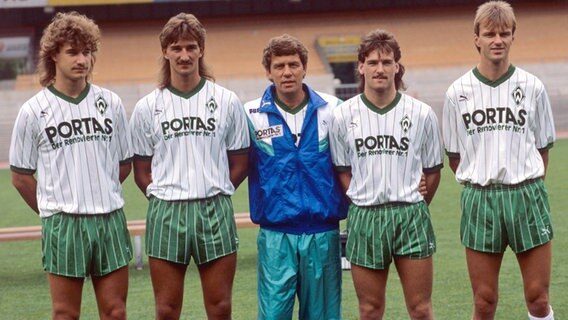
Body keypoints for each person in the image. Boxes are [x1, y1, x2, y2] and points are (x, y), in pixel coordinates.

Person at [9, 11, 133, 320]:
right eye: (73, 52)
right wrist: (53, 210)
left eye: (87, 52)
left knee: (116, 312)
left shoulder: (111, 103)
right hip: (64, 225)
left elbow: (124, 163)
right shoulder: (33, 110)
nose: (82, 59)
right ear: (54, 55)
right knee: (65, 314)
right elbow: (21, 176)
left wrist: (99, 193)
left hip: (109, 220)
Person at [129, 13, 249, 320]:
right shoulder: (147, 107)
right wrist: (167, 194)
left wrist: (216, 189)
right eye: (177, 48)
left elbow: (240, 161)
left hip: (214, 210)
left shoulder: (226, 100)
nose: (184, 55)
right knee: (167, 310)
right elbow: (141, 172)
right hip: (167, 213)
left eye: (191, 47)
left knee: (220, 307)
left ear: (202, 50)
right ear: (165, 51)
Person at [442, 1, 556, 319]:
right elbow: (455, 158)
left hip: (527, 195)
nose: (497, 40)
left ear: (513, 37)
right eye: (490, 33)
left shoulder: (533, 87)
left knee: (537, 298)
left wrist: (523, 182)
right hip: (481, 200)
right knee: (484, 300)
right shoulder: (457, 93)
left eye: (504, 33)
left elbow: (542, 149)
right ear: (476, 38)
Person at [328, 29, 443, 320]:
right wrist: (365, 197)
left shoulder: (421, 114)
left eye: (387, 62)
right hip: (365, 217)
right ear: (361, 67)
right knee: (369, 310)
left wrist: (412, 201)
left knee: (420, 309)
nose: (380, 69)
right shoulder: (343, 116)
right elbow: (343, 172)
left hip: (410, 216)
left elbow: (432, 170)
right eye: (373, 62)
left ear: (397, 67)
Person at [243, 34, 348, 319]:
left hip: (322, 234)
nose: (287, 72)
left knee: (322, 316)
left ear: (305, 68)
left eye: (293, 64)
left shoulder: (334, 110)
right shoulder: (250, 115)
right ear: (268, 71)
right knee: (274, 315)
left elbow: (355, 162)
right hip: (276, 236)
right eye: (279, 66)